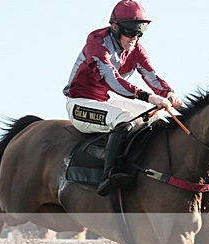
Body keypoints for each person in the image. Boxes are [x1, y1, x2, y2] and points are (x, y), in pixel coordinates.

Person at [63, 0, 184, 196]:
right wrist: (148, 96)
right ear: (115, 27)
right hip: (80, 102)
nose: (134, 38)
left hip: (107, 101)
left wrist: (168, 92)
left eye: (139, 33)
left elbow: (151, 76)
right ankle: (109, 176)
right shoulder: (97, 43)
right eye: (129, 32)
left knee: (156, 118)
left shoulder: (136, 49)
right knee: (125, 120)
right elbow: (112, 80)